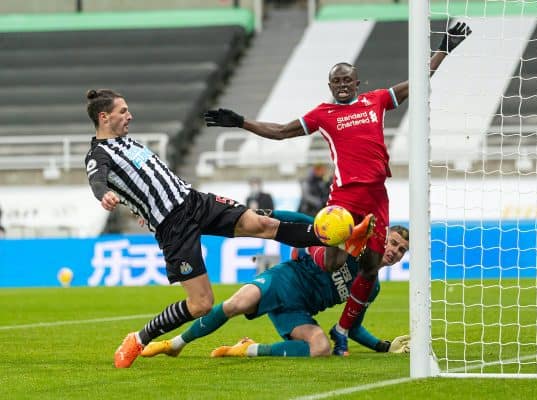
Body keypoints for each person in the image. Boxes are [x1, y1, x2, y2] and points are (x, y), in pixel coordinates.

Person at [203, 22, 472, 355]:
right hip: (345, 197)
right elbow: (282, 131)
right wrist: (243, 122)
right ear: (330, 85)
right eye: (337, 81)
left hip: (377, 197)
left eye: (348, 80)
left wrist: (444, 48)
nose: (343, 85)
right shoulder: (324, 114)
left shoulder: (375, 101)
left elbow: (417, 83)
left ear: (358, 83)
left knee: (371, 267)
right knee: (332, 263)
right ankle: (322, 246)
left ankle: (344, 327)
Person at [84, 89, 373, 368]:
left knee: (262, 224)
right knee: (201, 305)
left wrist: (138, 207)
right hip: (173, 226)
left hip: (194, 201)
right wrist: (104, 195)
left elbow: (145, 182)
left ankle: (337, 236)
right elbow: (98, 180)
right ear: (104, 117)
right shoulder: (98, 155)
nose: (130, 115)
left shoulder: (130, 143)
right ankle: (139, 338)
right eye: (123, 111)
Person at [140, 210, 410, 359]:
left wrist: (383, 346)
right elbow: (308, 223)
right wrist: (263, 214)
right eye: (394, 243)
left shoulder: (371, 287)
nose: (395, 251)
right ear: (382, 238)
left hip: (299, 312)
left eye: (401, 251)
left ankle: (248, 349)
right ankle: (175, 344)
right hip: (285, 279)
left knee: (321, 348)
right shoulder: (355, 246)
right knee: (236, 304)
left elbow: (353, 327)